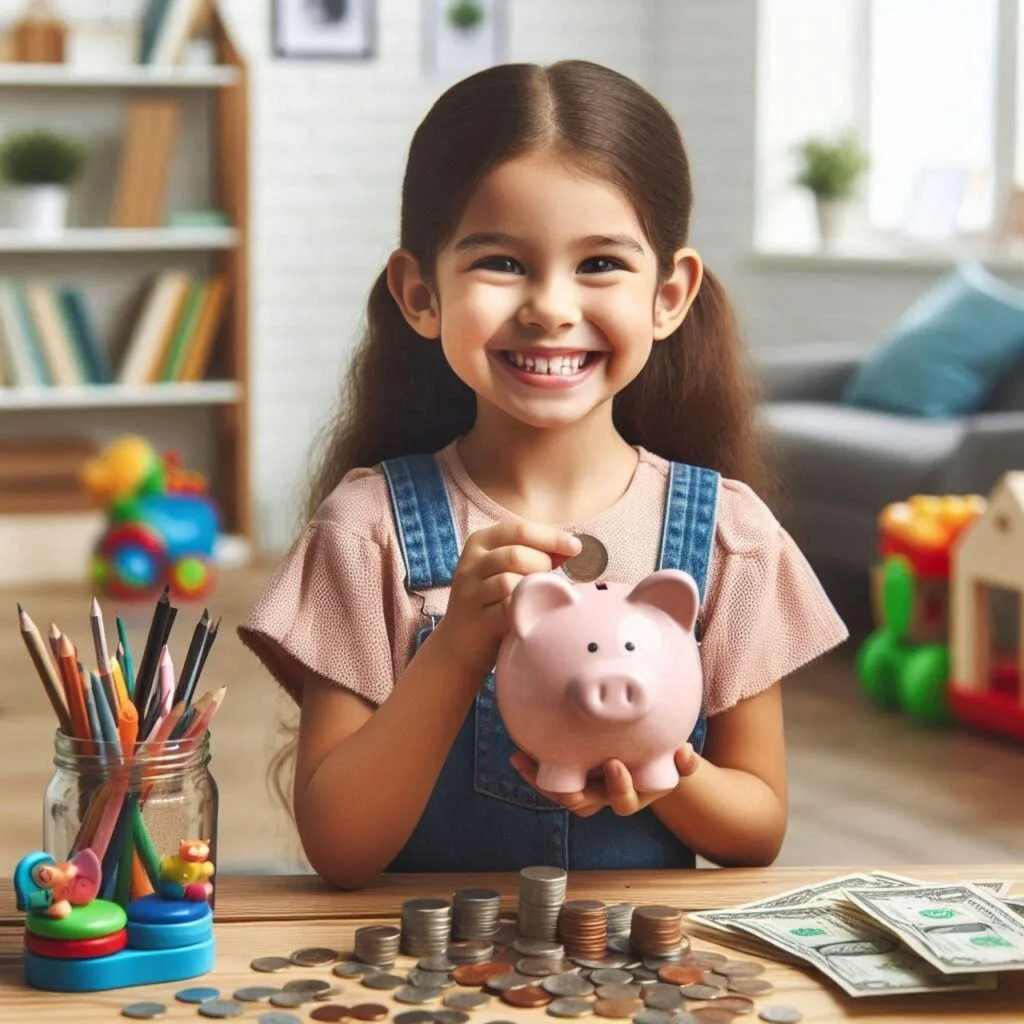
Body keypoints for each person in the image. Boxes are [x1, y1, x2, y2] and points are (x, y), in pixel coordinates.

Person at [238, 59, 848, 890]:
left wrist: (667, 768)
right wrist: (454, 649)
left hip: (629, 982)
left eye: (600, 264)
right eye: (501, 262)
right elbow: (341, 848)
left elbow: (757, 831)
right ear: (421, 293)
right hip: (426, 982)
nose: (552, 307)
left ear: (669, 294)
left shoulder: (725, 536)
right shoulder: (367, 528)